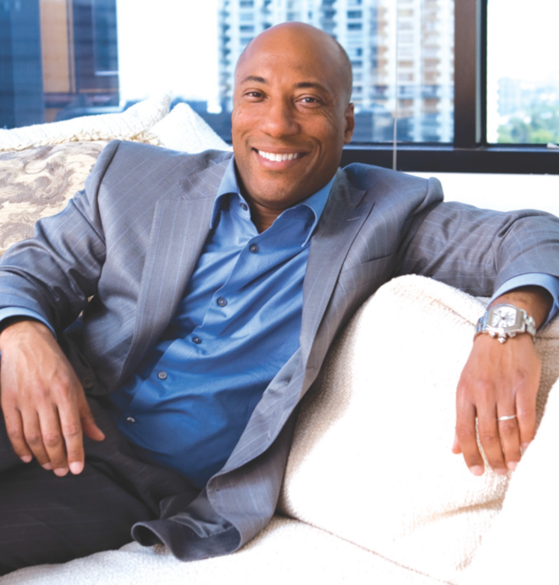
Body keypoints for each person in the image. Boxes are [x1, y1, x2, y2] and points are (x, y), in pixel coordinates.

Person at [0, 22, 558, 574]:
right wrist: (22, 335)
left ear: (346, 122)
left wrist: (505, 329)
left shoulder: (387, 214)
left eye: (308, 100)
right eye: (256, 95)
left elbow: (534, 234)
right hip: (32, 397)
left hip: (125, 483)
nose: (277, 123)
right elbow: (27, 271)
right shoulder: (133, 180)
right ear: (234, 109)